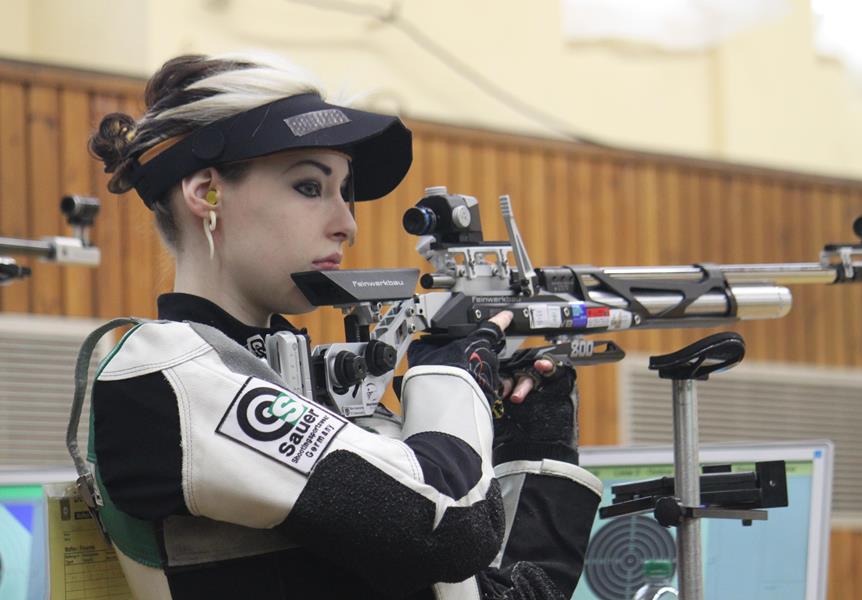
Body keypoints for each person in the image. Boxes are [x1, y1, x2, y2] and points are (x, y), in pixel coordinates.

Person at [86, 53, 603, 600]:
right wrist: (453, 375)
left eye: (345, 192)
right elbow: (452, 526)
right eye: (310, 187)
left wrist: (535, 448)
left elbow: (481, 581)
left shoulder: (300, 384)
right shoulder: (167, 379)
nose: (347, 225)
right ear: (206, 192)